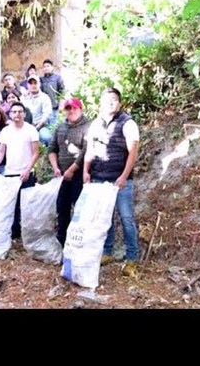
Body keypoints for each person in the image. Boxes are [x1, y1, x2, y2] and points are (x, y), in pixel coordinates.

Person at [83, 87, 140, 277]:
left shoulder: (128, 123)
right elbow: (90, 150)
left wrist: (124, 177)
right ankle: (107, 253)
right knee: (104, 218)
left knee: (126, 219)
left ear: (120, 103)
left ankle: (132, 259)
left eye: (114, 99)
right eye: (107, 99)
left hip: (120, 181)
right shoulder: (95, 124)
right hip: (99, 178)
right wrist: (86, 171)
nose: (110, 102)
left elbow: (133, 152)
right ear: (101, 103)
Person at [0, 102, 40, 239]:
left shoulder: (31, 130)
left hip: (26, 173)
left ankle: (28, 234)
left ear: (24, 114)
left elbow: (35, 153)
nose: (17, 114)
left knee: (27, 205)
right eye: (14, 112)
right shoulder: (6, 131)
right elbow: (1, 152)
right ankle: (15, 233)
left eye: (20, 111)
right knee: (13, 205)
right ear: (10, 114)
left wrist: (28, 170)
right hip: (10, 173)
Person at [48, 97, 91, 247]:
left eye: (74, 108)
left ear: (80, 109)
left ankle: (79, 244)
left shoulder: (88, 126)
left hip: (79, 175)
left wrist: (72, 169)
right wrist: (55, 167)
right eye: (68, 108)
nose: (71, 111)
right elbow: (52, 149)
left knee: (80, 210)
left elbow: (87, 150)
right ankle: (62, 243)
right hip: (62, 176)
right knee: (62, 208)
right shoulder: (60, 127)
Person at [21, 74, 53, 146]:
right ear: (27, 85)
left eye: (35, 83)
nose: (33, 85)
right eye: (30, 83)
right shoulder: (22, 98)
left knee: (47, 138)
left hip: (41, 126)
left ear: (39, 84)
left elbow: (47, 114)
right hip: (25, 126)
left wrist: (37, 126)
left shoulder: (44, 97)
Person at [39, 59, 65, 127]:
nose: (46, 68)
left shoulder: (57, 78)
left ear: (52, 67)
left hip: (54, 107)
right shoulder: (40, 80)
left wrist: (61, 105)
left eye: (48, 66)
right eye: (44, 66)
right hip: (44, 108)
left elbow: (62, 92)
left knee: (54, 126)